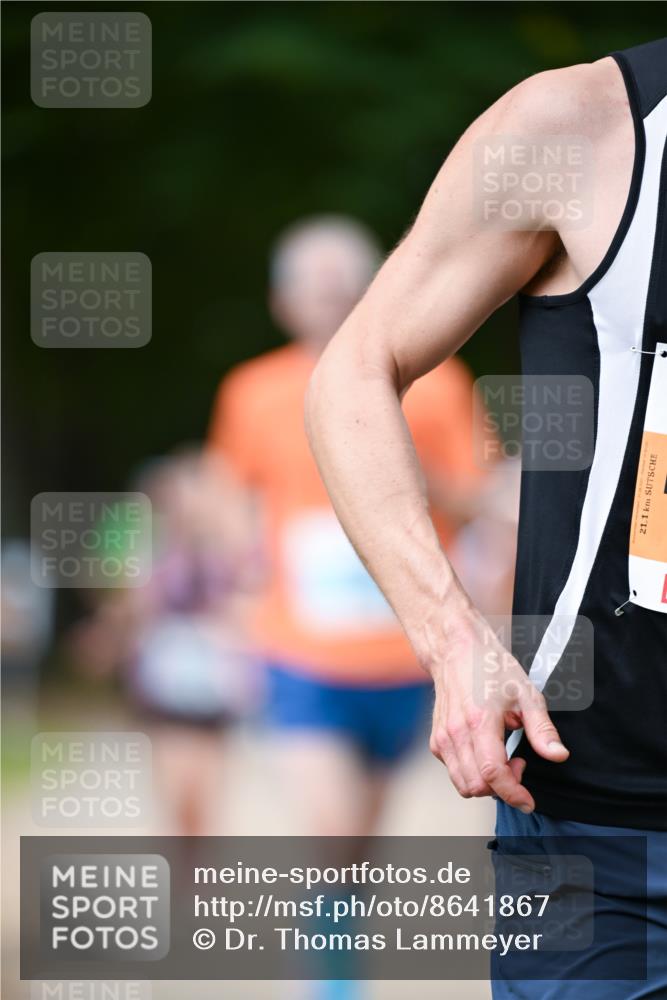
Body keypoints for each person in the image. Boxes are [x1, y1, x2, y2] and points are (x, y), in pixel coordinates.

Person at [305, 39, 667, 1000]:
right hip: (602, 827)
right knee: (331, 818)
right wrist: (452, 637)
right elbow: (353, 374)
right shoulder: (580, 128)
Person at [208, 216, 491, 847]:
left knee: (359, 840)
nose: (332, 302)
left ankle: (335, 938)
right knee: (333, 831)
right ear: (283, 303)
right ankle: (325, 947)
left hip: (406, 648)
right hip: (299, 647)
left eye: (347, 288)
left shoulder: (439, 383)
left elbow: (478, 500)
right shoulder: (251, 390)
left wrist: (409, 475)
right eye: (316, 289)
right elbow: (229, 496)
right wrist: (237, 587)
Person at [68, 448, 258, 836]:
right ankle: (187, 861)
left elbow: (248, 604)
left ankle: (197, 868)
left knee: (205, 788)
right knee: (175, 787)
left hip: (214, 683)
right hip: (162, 685)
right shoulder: (146, 551)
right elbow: (124, 607)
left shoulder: (224, 547)